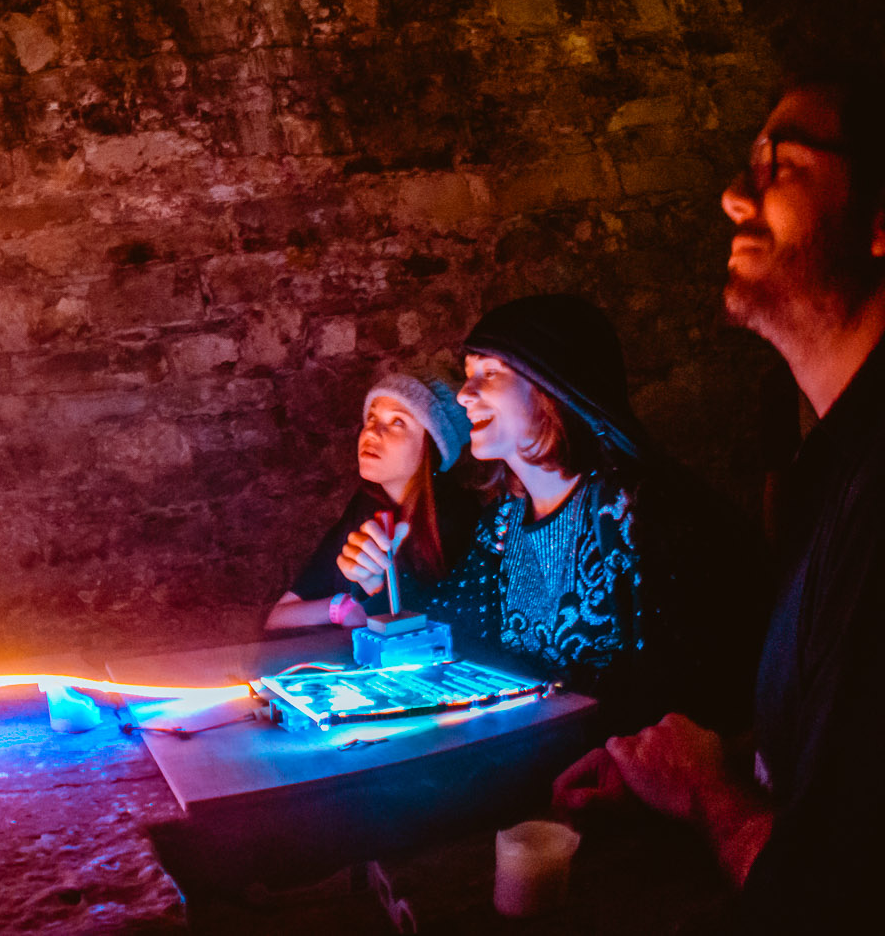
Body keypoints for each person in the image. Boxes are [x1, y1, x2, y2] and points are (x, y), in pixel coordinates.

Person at [553, 69, 885, 926]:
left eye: (782, 166)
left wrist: (707, 790)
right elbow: (840, 746)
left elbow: (827, 899)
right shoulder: (828, 464)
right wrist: (686, 764)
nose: (735, 197)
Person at [339, 295, 760, 731]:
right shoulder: (504, 522)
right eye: (468, 377)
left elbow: (686, 693)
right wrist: (379, 580)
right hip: (541, 756)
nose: (464, 395)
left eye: (489, 374)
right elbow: (454, 626)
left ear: (551, 385)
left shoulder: (635, 513)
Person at [265, 374, 474, 632]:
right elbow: (279, 616)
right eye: (372, 417)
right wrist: (343, 606)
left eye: (397, 422)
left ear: (433, 446)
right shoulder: (365, 510)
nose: (373, 432)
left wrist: (373, 596)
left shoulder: (463, 525)